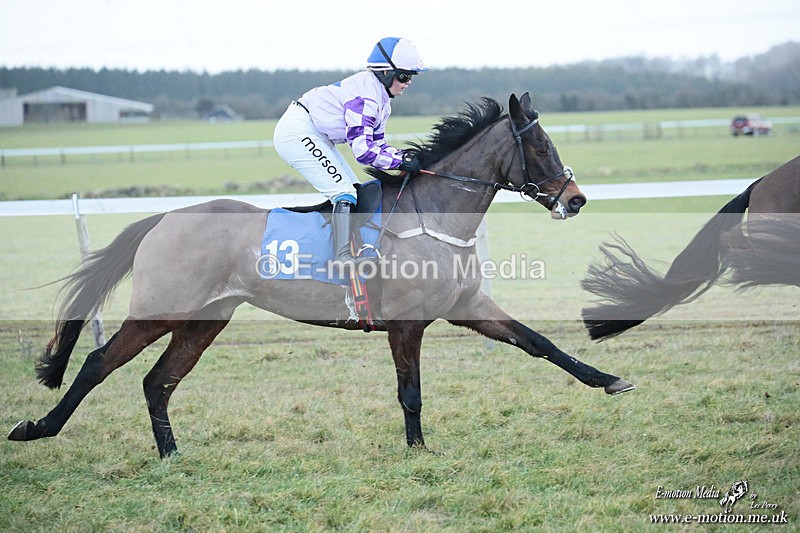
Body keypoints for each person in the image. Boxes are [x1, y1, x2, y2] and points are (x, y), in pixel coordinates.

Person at [273, 37, 427, 270]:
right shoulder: (366, 97)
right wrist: (399, 162)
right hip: (298, 131)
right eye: (404, 76)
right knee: (344, 192)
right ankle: (341, 257)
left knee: (356, 191)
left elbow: (379, 145)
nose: (408, 83)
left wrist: (403, 156)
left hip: (316, 134)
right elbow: (363, 151)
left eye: (412, 77)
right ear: (385, 72)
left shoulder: (382, 100)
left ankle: (352, 248)